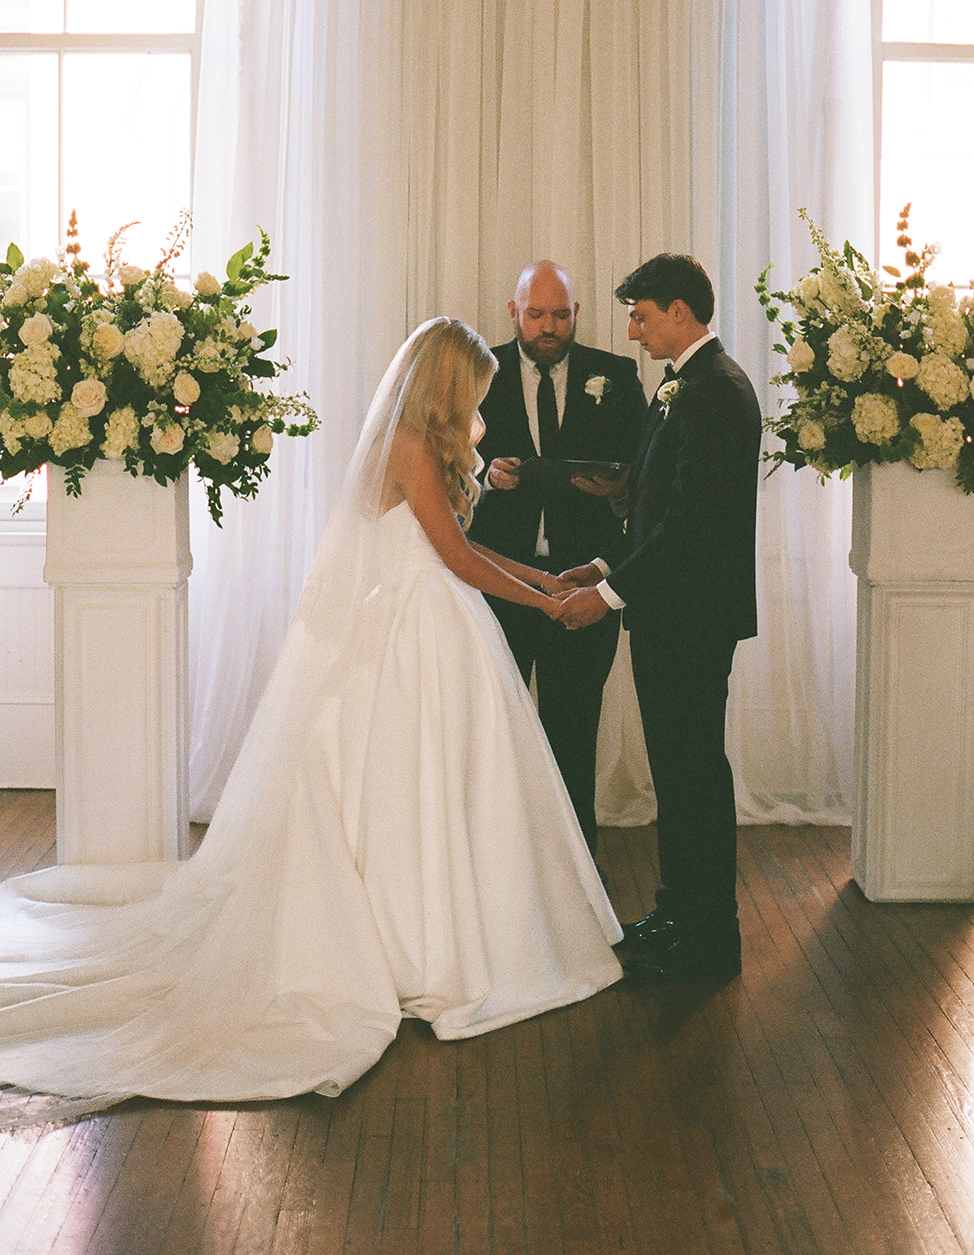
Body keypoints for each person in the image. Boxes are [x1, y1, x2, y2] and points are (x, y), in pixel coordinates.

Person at [0, 319, 621, 1125]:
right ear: (448, 384)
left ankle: (450, 929)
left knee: (444, 786)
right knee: (412, 788)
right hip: (415, 632)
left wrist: (549, 578)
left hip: (434, 620)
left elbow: (458, 556)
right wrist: (549, 602)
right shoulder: (406, 445)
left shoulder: (418, 445)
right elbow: (456, 559)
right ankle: (419, 944)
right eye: (475, 391)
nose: (482, 408)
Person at [557, 256, 760, 983]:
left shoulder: (714, 390)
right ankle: (678, 911)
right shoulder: (683, 386)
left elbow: (689, 524)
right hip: (669, 614)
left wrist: (607, 598)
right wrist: (606, 566)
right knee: (675, 774)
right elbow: (650, 507)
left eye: (641, 315)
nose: (633, 330)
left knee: (693, 775)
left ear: (680, 312)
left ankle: (709, 938)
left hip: (693, 619)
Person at [468, 261, 646, 854]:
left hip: (583, 585)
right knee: (496, 734)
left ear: (577, 315)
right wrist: (485, 475)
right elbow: (443, 463)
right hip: (497, 581)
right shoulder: (477, 372)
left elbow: (642, 477)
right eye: (537, 314)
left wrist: (616, 488)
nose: (549, 327)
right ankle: (499, 862)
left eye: (561, 315)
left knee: (574, 734)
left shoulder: (615, 375)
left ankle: (577, 877)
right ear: (513, 312)